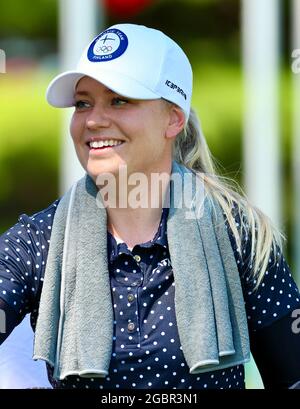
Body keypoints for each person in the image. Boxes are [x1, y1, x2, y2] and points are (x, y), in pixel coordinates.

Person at [1, 23, 300, 390]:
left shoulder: (238, 234)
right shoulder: (37, 242)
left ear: (173, 118)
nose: (93, 120)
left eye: (120, 100)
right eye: (83, 103)